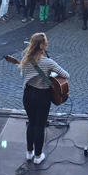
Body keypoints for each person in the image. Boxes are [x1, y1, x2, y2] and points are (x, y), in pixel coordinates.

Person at [18, 32, 68, 165]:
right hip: (42, 96)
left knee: (32, 123)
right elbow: (66, 74)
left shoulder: (25, 60)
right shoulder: (48, 62)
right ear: (41, 46)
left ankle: (29, 153)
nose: (47, 43)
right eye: (46, 42)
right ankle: (38, 156)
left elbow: (23, 74)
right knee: (40, 125)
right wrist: (51, 74)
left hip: (28, 94)